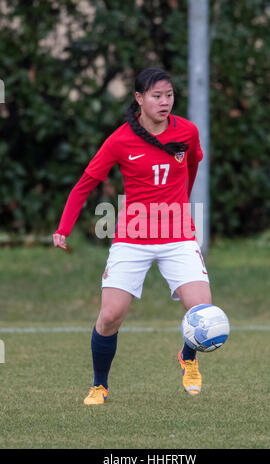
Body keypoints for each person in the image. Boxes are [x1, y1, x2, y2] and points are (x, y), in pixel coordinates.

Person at [53, 68, 212, 405]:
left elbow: (192, 165)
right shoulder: (121, 139)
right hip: (132, 236)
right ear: (139, 98)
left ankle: (188, 357)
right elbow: (86, 182)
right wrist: (63, 228)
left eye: (169, 95)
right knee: (110, 316)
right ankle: (99, 385)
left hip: (178, 235)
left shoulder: (187, 131)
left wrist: (183, 202)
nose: (165, 102)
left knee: (203, 312)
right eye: (157, 96)